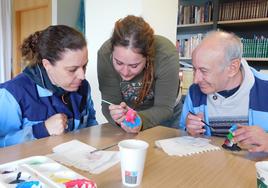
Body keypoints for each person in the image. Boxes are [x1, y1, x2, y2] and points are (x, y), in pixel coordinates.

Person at [0, 25, 98, 147]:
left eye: (84, 66)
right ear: (47, 65)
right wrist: (41, 130)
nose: (82, 76)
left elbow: (91, 127)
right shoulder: (11, 94)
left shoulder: (83, 87)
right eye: (72, 69)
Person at [180, 30, 268, 152]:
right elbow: (182, 130)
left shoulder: (265, 88)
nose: (196, 80)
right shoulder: (195, 92)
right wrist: (188, 130)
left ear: (232, 68)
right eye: (194, 69)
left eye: (204, 71)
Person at [97, 15, 180, 133]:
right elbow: (108, 103)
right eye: (119, 63)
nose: (125, 73)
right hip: (130, 117)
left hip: (166, 116)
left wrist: (140, 120)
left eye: (134, 66)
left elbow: (164, 108)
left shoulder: (166, 55)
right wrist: (118, 118)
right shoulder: (105, 54)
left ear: (148, 56)